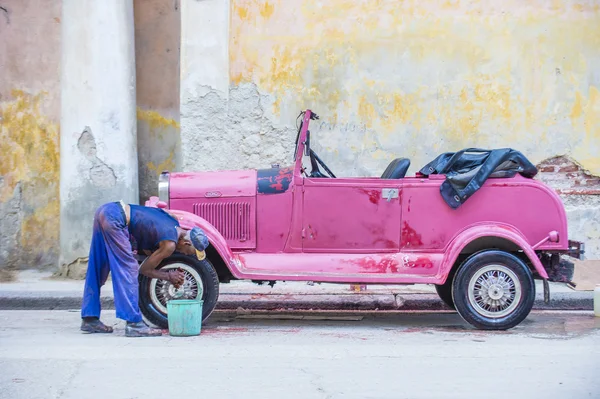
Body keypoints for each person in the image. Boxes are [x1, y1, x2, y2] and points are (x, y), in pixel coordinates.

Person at [80, 200, 209, 337]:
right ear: (186, 242)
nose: (185, 254)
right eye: (190, 251)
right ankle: (134, 324)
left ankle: (89, 318)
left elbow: (147, 226)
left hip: (107, 209)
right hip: (116, 218)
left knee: (97, 266)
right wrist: (169, 276)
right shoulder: (169, 245)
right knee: (128, 270)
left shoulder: (172, 220)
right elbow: (144, 270)